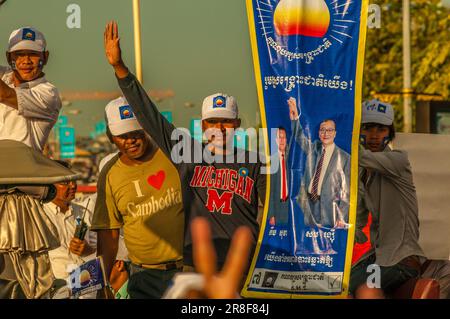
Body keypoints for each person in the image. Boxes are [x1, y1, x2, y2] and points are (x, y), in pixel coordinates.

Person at [103, 21, 266, 274]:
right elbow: (149, 115)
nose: (219, 128)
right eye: (212, 121)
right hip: (196, 264)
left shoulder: (256, 161)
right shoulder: (187, 152)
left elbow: (274, 216)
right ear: (202, 126)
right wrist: (120, 69)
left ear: (237, 124)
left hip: (243, 265)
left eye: (226, 122)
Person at [91, 96, 185, 299]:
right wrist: (103, 284)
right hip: (142, 277)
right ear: (110, 137)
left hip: (185, 270)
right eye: (122, 135)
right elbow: (108, 235)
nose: (130, 140)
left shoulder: (173, 154)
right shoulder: (110, 173)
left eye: (136, 132)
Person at [350, 99, 425, 299]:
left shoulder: (398, 160)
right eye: (367, 128)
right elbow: (357, 219)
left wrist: (334, 134)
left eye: (381, 129)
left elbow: (356, 155)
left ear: (390, 133)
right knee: (333, 285)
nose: (374, 135)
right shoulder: (363, 173)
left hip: (401, 260)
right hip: (378, 260)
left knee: (360, 289)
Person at [288, 97, 350, 228]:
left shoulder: (344, 158)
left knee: (327, 247)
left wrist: (342, 217)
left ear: (335, 133)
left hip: (329, 210)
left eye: (329, 130)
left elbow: (346, 190)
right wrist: (294, 117)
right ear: (318, 132)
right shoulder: (314, 148)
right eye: (322, 130)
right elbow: (299, 136)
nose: (325, 133)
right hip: (308, 205)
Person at [0, 27, 61, 152]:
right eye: (19, 55)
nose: (26, 61)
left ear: (45, 57)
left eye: (33, 54)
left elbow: (4, 95)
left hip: (23, 169)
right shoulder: (4, 76)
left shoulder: (48, 93)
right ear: (8, 57)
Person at [43, 161, 96, 282]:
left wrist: (88, 250)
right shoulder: (39, 215)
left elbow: (98, 249)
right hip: (55, 284)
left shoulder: (84, 213)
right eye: (65, 182)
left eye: (74, 180)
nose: (72, 186)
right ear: (50, 185)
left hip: (85, 282)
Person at [267, 126, 290, 227]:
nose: (281, 140)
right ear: (275, 140)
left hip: (290, 208)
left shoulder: (292, 159)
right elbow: (269, 191)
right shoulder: (271, 161)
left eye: (283, 137)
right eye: (279, 137)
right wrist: (271, 214)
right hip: (277, 208)